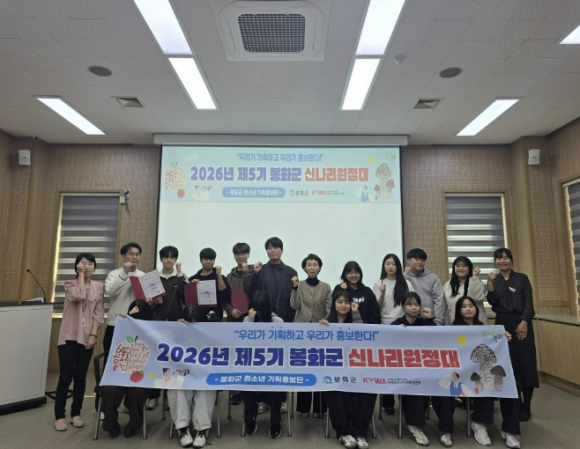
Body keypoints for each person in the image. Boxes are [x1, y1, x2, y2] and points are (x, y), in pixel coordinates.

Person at [432, 296, 521, 448]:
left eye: (471, 305)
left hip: (480, 372)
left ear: (476, 308)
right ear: (458, 310)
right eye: (464, 306)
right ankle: (472, 424)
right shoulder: (452, 329)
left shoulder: (484, 329)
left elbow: (495, 350)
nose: (468, 309)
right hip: (460, 373)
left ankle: (509, 430)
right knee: (456, 386)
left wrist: (503, 338)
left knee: (511, 386)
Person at [246, 236, 297, 413]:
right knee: (262, 360)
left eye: (276, 248)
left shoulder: (290, 271)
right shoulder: (261, 270)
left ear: (282, 250)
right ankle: (263, 399)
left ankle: (281, 399)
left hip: (283, 320)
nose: (272, 251)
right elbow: (249, 291)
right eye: (269, 248)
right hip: (263, 320)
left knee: (281, 361)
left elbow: (295, 298)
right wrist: (255, 273)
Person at [54, 253, 104, 431]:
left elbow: (98, 314)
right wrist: (81, 274)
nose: (87, 266)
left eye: (90, 264)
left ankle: (76, 413)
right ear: (76, 266)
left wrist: (93, 335)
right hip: (68, 336)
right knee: (65, 376)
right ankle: (59, 416)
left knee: (80, 377)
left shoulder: (98, 287)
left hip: (87, 337)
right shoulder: (70, 284)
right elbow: (80, 295)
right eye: (83, 264)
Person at [487, 248, 538, 422]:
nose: (502, 261)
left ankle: (527, 407)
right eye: (499, 258)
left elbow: (529, 303)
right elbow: (493, 303)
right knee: (508, 363)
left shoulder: (521, 278)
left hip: (522, 323)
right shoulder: (494, 279)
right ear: (495, 261)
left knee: (526, 362)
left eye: (506, 258)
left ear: (511, 260)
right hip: (502, 323)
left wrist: (524, 322)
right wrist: (490, 284)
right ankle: (516, 404)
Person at [321, 290, 374, 449]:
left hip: (357, 369)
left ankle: (359, 432)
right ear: (334, 304)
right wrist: (321, 328)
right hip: (335, 371)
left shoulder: (356, 320)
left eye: (346, 302)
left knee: (368, 388)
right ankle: (343, 433)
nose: (343, 305)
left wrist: (356, 313)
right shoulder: (326, 323)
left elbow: (361, 337)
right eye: (340, 302)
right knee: (335, 390)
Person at [167, 304, 218, 449]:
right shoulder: (176, 329)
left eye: (195, 323)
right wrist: (176, 329)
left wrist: (212, 319)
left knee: (206, 389)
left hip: (204, 374)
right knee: (176, 386)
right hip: (183, 373)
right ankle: (182, 428)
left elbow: (223, 334)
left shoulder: (210, 328)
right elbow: (153, 329)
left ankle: (202, 429)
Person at [100, 300, 153, 438]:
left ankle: (134, 424)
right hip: (120, 373)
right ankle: (111, 423)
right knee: (110, 391)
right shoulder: (123, 323)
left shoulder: (154, 325)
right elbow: (114, 345)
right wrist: (127, 318)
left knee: (137, 392)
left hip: (141, 374)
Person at [391, 292, 435, 446]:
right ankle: (414, 425)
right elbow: (387, 343)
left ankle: (415, 419)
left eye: (416, 304)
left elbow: (436, 339)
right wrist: (396, 332)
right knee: (415, 381)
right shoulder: (397, 323)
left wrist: (429, 319)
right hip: (402, 369)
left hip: (424, 367)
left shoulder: (424, 322)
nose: (414, 308)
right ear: (403, 306)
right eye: (409, 304)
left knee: (427, 380)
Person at [290, 253, 332, 418]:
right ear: (304, 268)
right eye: (309, 265)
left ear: (319, 267)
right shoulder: (299, 285)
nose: (312, 267)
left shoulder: (326, 287)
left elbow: (329, 309)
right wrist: (294, 288)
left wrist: (325, 321)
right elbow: (294, 306)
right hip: (302, 331)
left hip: (320, 332)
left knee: (320, 369)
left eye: (315, 264)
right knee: (304, 368)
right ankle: (303, 408)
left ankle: (319, 408)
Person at [147, 245, 188, 410]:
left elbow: (185, 298)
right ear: (161, 259)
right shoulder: (153, 278)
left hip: (174, 325)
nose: (169, 260)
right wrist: (151, 301)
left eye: (172, 257)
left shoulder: (180, 277)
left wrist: (180, 273)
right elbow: (145, 302)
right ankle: (153, 396)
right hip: (155, 324)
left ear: (176, 259)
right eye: (166, 257)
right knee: (155, 361)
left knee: (172, 362)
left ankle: (168, 397)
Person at [372, 253, 414, 415]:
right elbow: (377, 308)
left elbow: (412, 303)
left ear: (398, 266)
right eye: (387, 263)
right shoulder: (379, 283)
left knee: (403, 366)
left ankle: (405, 400)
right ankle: (387, 402)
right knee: (387, 366)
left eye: (393, 264)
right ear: (384, 266)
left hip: (403, 327)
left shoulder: (406, 283)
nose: (390, 266)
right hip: (385, 327)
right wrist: (382, 293)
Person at [242, 290, 285, 439]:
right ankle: (250, 419)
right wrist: (250, 319)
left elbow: (281, 346)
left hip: (273, 367)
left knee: (274, 388)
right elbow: (243, 341)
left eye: (259, 308)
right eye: (254, 308)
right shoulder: (248, 319)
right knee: (246, 388)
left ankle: (275, 423)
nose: (257, 312)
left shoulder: (277, 321)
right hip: (253, 366)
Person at [225, 242, 253, 406]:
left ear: (248, 254)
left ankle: (251, 391)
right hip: (234, 320)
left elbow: (256, 293)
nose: (240, 256)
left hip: (252, 320)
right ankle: (235, 392)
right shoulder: (229, 276)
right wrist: (230, 310)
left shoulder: (256, 272)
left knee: (251, 357)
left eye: (243, 253)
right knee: (235, 357)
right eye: (237, 253)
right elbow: (225, 299)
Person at [104, 242, 145, 354]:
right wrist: (125, 273)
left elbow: (144, 301)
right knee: (111, 357)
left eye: (137, 254)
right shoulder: (114, 274)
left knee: (132, 358)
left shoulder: (142, 275)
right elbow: (111, 291)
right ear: (123, 256)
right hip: (115, 323)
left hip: (135, 324)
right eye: (131, 254)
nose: (135, 257)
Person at [404, 248, 446, 325]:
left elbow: (439, 301)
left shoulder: (433, 278)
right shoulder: (404, 278)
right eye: (416, 259)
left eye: (422, 260)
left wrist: (438, 322)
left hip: (429, 320)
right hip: (409, 322)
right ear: (408, 260)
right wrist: (406, 275)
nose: (420, 262)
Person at [443, 256, 487, 325]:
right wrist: (447, 326)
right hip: (455, 324)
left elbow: (477, 298)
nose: (460, 268)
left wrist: (474, 277)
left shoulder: (477, 282)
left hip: (476, 324)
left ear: (470, 268)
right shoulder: (448, 285)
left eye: (464, 266)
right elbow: (445, 308)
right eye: (457, 266)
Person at [188, 248, 231, 318]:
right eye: (205, 259)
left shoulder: (221, 277)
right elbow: (189, 301)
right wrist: (192, 286)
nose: (208, 262)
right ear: (200, 260)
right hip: (198, 317)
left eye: (211, 259)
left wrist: (219, 276)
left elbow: (225, 296)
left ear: (214, 260)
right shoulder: (193, 279)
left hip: (216, 317)